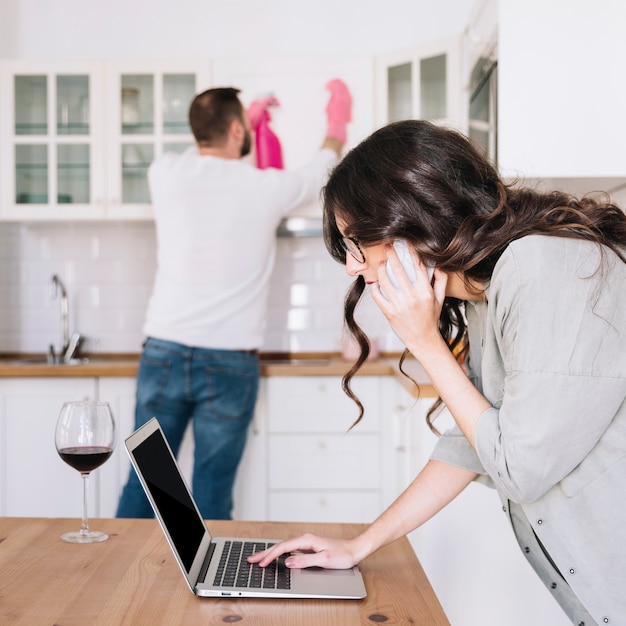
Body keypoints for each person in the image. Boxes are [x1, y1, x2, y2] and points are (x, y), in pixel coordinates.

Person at [248, 120, 626, 624]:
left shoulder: (541, 268)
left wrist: (424, 342)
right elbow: (470, 443)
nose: (351, 267)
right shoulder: (485, 291)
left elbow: (519, 468)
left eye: (356, 241)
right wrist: (359, 546)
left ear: (413, 220)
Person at [116, 81, 352, 520]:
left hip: (163, 353)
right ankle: (204, 584)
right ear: (237, 131)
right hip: (228, 363)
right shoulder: (265, 187)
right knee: (211, 488)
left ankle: (123, 584)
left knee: (150, 483)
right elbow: (321, 168)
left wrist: (245, 122)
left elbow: (202, 154)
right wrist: (336, 123)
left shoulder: (163, 172)